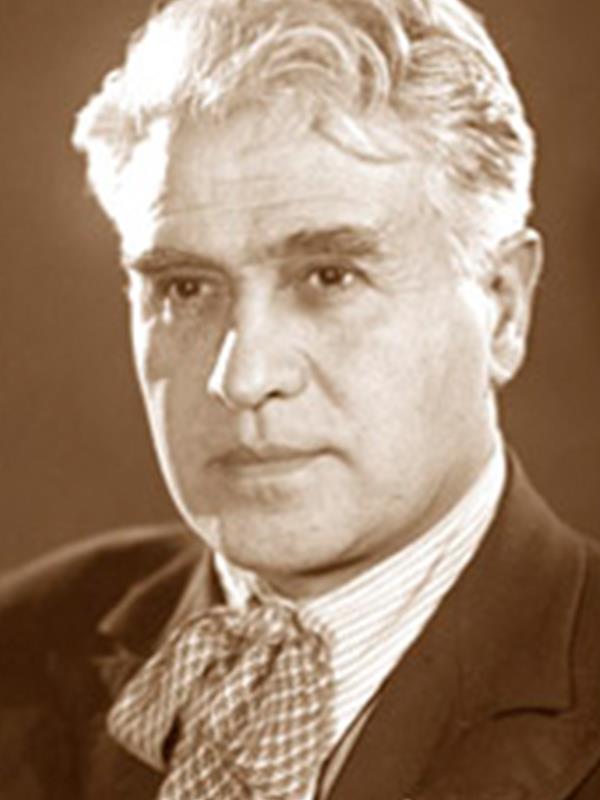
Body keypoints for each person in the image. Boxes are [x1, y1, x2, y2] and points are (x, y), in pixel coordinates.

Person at [1, 0, 599, 797]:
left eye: (330, 276)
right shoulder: (19, 646)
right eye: (185, 288)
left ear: (502, 306)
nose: (242, 376)